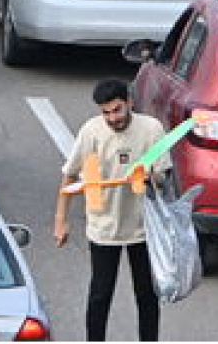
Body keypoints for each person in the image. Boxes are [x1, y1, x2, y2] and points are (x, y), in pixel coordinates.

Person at [55, 79, 169, 342]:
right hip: (103, 227)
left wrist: (148, 175)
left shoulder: (151, 129)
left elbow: (163, 176)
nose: (112, 118)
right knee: (100, 295)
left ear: (129, 102)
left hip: (142, 227)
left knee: (146, 295)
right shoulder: (91, 132)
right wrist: (61, 220)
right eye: (105, 112)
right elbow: (69, 176)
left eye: (117, 110)